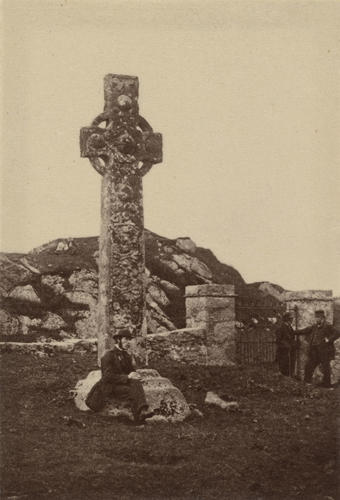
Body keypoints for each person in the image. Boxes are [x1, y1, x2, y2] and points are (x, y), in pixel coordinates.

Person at [85, 329, 150, 421]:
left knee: (135, 384)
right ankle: (139, 415)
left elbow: (130, 371)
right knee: (132, 390)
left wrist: (135, 375)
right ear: (118, 340)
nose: (128, 342)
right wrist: (127, 377)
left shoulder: (126, 355)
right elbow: (107, 377)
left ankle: (142, 413)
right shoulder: (109, 356)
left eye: (129, 339)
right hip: (109, 387)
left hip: (120, 385)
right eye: (125, 339)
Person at [297, 310, 339, 388]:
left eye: (318, 318)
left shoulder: (328, 326)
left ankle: (327, 385)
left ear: (322, 318)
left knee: (326, 368)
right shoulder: (314, 326)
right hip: (314, 351)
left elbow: (337, 333)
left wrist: (329, 339)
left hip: (324, 351)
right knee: (309, 365)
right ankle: (307, 382)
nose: (316, 319)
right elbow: (305, 330)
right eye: (316, 317)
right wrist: (294, 332)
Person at [275, 312, 296, 376]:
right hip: (283, 350)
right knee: (284, 365)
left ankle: (290, 376)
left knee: (291, 363)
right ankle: (285, 377)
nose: (292, 320)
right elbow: (278, 340)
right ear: (287, 319)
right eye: (290, 319)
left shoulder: (290, 327)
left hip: (290, 349)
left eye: (292, 319)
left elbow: (292, 336)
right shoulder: (281, 327)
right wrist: (286, 345)